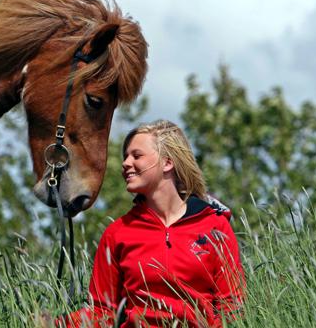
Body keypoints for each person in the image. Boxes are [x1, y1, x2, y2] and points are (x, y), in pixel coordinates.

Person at [58, 120, 245, 327]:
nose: (126, 163)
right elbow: (103, 312)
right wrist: (53, 324)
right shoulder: (117, 233)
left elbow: (231, 307)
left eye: (136, 156)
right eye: (126, 156)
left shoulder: (215, 226)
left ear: (167, 162)